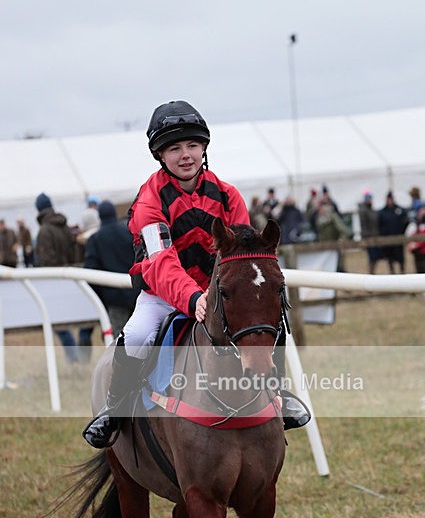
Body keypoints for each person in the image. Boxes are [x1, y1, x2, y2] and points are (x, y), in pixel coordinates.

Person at [83, 99, 310, 448]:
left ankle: (277, 394)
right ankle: (116, 409)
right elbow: (161, 264)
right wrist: (193, 299)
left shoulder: (228, 195)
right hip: (163, 294)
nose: (185, 154)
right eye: (174, 148)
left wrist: (219, 295)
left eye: (192, 145)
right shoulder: (149, 201)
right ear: (160, 155)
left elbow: (240, 257)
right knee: (140, 332)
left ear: (204, 147)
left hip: (218, 292)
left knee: (265, 322)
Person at [34, 193, 86, 364]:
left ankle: (74, 359)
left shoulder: (44, 231)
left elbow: (46, 261)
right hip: (71, 279)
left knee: (59, 324)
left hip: (54, 282)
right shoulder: (65, 227)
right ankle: (79, 358)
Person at [84, 199, 139, 337]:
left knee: (118, 338)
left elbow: (90, 271)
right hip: (136, 293)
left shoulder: (95, 239)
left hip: (113, 298)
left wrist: (102, 296)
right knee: (141, 337)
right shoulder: (130, 232)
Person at [377, 192, 408, 273]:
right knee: (390, 258)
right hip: (388, 239)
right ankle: (392, 272)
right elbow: (379, 225)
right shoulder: (382, 212)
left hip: (398, 238)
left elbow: (405, 220)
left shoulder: (399, 210)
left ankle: (402, 272)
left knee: (400, 257)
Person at [405, 205, 425, 273]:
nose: (423, 212)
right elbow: (409, 234)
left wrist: (418, 244)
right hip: (417, 251)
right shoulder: (414, 223)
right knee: (419, 269)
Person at [357, 190, 380, 273]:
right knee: (372, 257)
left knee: (375, 257)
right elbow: (364, 226)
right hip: (369, 237)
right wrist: (365, 238)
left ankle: (372, 272)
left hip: (374, 236)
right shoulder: (363, 210)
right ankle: (371, 273)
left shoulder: (370, 209)